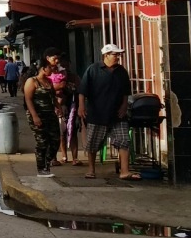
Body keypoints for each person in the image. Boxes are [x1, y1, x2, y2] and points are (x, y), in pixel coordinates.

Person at [78, 44, 138, 180]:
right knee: (93, 143)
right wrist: (81, 106)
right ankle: (91, 170)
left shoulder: (121, 71)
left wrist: (124, 106)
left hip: (117, 114)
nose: (117, 57)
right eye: (115, 54)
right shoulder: (93, 70)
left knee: (123, 141)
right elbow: (82, 90)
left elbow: (125, 92)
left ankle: (124, 171)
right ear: (106, 55)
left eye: (118, 55)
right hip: (97, 113)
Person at [24, 58, 62, 177]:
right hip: (37, 115)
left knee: (55, 140)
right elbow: (28, 99)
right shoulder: (32, 81)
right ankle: (41, 168)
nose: (52, 69)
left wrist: (58, 107)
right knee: (42, 142)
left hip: (50, 114)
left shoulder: (49, 81)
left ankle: (47, 163)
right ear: (43, 68)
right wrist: (35, 116)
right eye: (50, 67)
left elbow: (53, 97)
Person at [55, 53, 83, 166]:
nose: (65, 67)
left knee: (73, 132)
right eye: (62, 65)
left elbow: (80, 91)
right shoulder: (56, 76)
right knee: (62, 132)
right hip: (60, 107)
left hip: (73, 107)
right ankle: (64, 156)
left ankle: (75, 157)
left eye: (66, 64)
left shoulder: (74, 77)